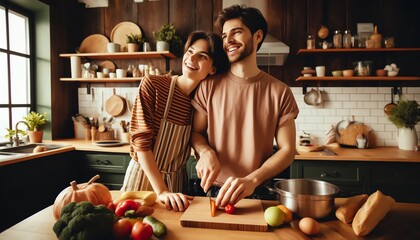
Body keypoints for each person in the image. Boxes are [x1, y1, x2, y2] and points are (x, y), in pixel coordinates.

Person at [191, 5, 299, 208]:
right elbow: (196, 133)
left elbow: (287, 150)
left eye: (236, 32)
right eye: (224, 36)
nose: (228, 41)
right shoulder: (207, 86)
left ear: (258, 36)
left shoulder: (280, 91)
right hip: (214, 191)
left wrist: (252, 180)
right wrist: (205, 152)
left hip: (260, 191)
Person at [121, 31, 229, 212]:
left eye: (202, 56)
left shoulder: (200, 103)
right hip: (143, 180)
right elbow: (141, 144)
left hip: (177, 186)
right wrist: (162, 191)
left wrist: (206, 153)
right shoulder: (153, 85)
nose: (191, 58)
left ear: (213, 69)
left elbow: (198, 138)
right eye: (190, 51)